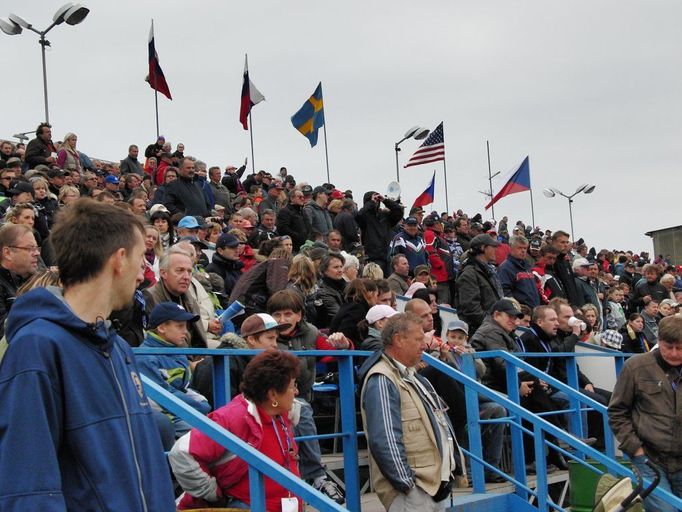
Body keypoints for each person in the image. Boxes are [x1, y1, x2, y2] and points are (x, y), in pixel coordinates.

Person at [0, 199, 176, 510]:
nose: (141, 276)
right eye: (140, 260)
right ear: (119, 260)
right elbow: (28, 484)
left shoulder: (118, 347)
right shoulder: (37, 346)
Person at [170, 350, 303, 510]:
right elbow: (182, 452)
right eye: (292, 386)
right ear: (273, 394)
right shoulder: (234, 416)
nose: (296, 392)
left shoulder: (281, 415)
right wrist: (213, 494)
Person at [359, 312, 457, 511]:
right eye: (418, 339)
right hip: (413, 494)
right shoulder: (382, 379)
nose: (424, 345)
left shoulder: (414, 377)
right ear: (399, 340)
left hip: (432, 488)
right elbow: (384, 439)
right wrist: (407, 485)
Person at [267, 290, 347, 504]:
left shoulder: (310, 333)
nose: (282, 320)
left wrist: (344, 344)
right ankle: (316, 475)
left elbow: (333, 353)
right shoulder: (265, 333)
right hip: (270, 400)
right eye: (277, 315)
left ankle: (310, 478)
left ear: (299, 315)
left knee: (301, 409)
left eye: (288, 314)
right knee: (301, 411)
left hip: (300, 399)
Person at [608, 316, 682, 512]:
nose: (674, 353)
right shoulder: (636, 367)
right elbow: (617, 411)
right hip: (649, 459)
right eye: (669, 347)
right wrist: (635, 448)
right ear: (658, 341)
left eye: (680, 347)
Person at [136, 302, 211, 437]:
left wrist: (201, 402)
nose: (186, 332)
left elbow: (185, 388)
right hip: (167, 418)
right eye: (180, 326)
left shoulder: (177, 350)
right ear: (161, 328)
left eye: (186, 326)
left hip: (181, 413)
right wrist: (199, 406)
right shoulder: (144, 357)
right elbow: (162, 397)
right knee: (208, 437)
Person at [455, 233, 503, 335]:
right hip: (481, 333)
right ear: (482, 248)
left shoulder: (488, 271)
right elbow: (472, 311)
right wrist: (495, 325)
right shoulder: (469, 274)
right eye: (492, 247)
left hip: (490, 330)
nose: (495, 250)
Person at [0, 224, 39, 338]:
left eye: (37, 248)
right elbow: (5, 332)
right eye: (30, 248)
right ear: (7, 253)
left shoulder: (31, 277)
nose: (37, 253)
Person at [355, 190, 404, 275]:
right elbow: (359, 216)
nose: (376, 202)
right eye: (375, 200)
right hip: (374, 258)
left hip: (388, 257)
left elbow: (399, 211)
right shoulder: (365, 218)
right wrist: (371, 202)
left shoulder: (385, 216)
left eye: (377, 200)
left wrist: (385, 200)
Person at [498, 235, 540, 308]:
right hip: (521, 313)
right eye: (519, 248)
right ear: (511, 249)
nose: (523, 251)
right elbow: (505, 292)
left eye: (525, 248)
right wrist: (517, 309)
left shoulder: (527, 266)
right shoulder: (505, 268)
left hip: (534, 310)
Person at [549, 230, 581, 306]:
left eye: (567, 242)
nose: (566, 245)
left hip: (572, 305)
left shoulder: (565, 261)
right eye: (562, 242)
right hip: (560, 306)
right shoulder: (551, 262)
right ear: (553, 243)